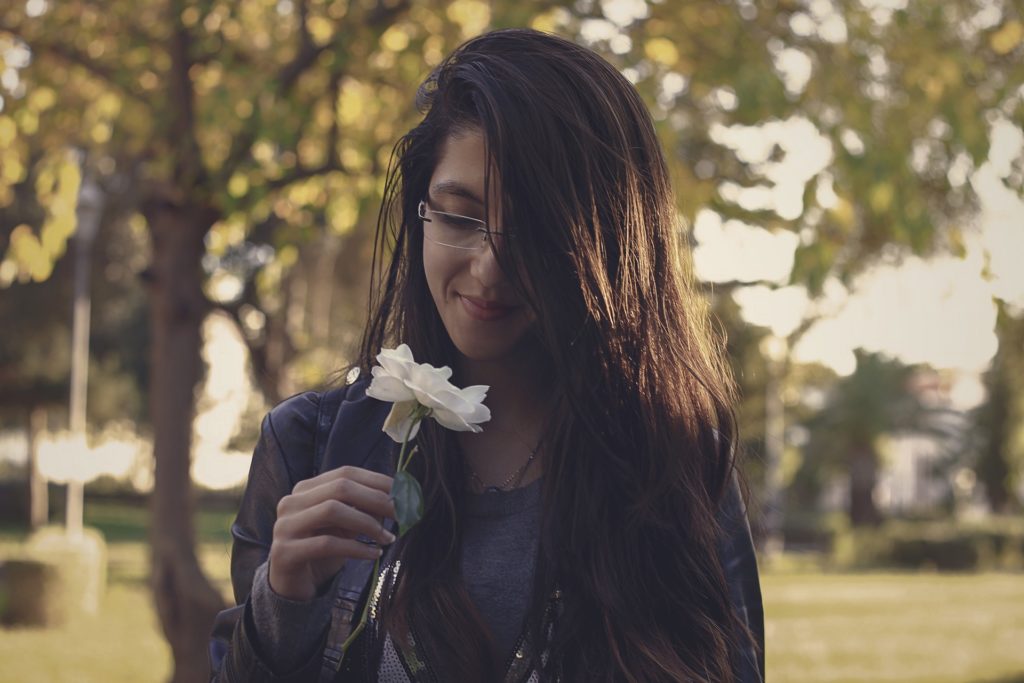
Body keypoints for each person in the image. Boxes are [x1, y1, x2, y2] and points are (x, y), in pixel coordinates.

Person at [209, 28, 764, 683]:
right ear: (421, 212)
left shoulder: (674, 462)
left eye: (534, 230)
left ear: (602, 242)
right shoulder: (309, 444)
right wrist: (283, 607)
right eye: (459, 217)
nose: (489, 267)